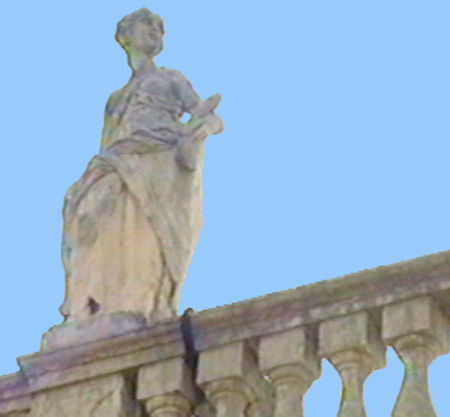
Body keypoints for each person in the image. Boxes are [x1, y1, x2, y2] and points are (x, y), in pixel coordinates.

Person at [59, 8, 223, 323]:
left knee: (143, 229)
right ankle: (90, 303)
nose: (156, 30)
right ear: (124, 36)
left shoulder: (171, 77)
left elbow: (209, 117)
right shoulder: (115, 97)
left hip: (158, 160)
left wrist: (201, 130)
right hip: (118, 160)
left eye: (160, 27)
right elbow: (108, 139)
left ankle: (137, 302)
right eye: (147, 24)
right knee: (87, 212)